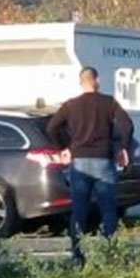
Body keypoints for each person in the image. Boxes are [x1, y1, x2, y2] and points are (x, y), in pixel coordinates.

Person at [46, 67, 134, 266]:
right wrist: (123, 148)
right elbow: (127, 124)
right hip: (103, 161)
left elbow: (52, 127)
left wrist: (63, 148)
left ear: (81, 82)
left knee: (79, 211)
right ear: (97, 80)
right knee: (109, 211)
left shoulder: (71, 105)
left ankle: (78, 256)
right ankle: (110, 255)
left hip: (79, 163)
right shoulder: (108, 102)